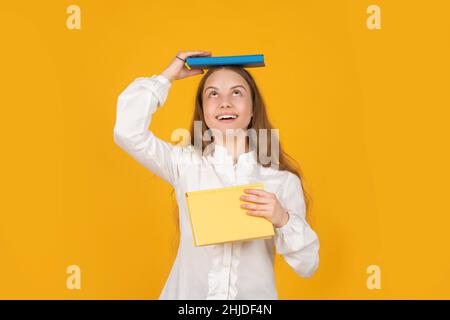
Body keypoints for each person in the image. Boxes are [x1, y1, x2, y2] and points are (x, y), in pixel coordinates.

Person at [113, 50, 320, 300]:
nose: (225, 102)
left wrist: (283, 219)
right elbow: (127, 131)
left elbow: (308, 266)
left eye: (236, 92)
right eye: (213, 94)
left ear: (253, 107)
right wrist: (166, 77)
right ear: (203, 111)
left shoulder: (282, 181)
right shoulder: (185, 164)